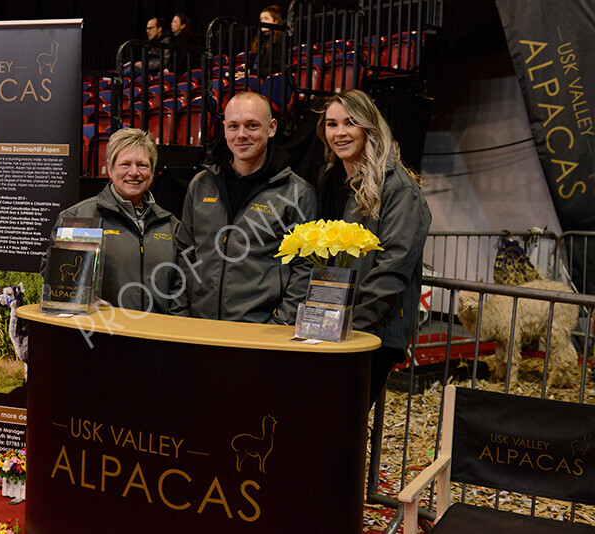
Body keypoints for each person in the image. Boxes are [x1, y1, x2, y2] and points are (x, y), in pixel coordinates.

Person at [315, 89, 431, 408]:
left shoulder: (398, 189)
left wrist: (349, 329)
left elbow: (392, 270)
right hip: (328, 327)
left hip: (369, 336)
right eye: (331, 124)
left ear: (369, 128)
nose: (339, 133)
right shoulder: (330, 182)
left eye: (350, 123)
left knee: (338, 426)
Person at [172, 92, 318, 324]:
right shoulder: (201, 185)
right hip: (198, 328)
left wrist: (279, 325)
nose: (241, 135)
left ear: (271, 128)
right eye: (233, 126)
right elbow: (184, 253)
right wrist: (180, 314)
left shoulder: (296, 193)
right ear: (224, 129)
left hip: (260, 335)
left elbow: (305, 268)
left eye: (252, 125)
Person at [48, 128, 180, 314]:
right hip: (102, 333)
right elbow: (56, 278)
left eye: (142, 165)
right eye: (125, 164)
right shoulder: (80, 217)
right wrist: (78, 298)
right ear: (110, 169)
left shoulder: (170, 224)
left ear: (152, 170)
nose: (134, 172)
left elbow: (180, 286)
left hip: (157, 336)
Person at [250, 5, 285, 78]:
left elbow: (277, 68)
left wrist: (253, 72)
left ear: (275, 21)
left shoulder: (279, 42)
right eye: (261, 19)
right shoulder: (259, 42)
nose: (262, 21)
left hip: (268, 80)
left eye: (266, 19)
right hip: (255, 78)